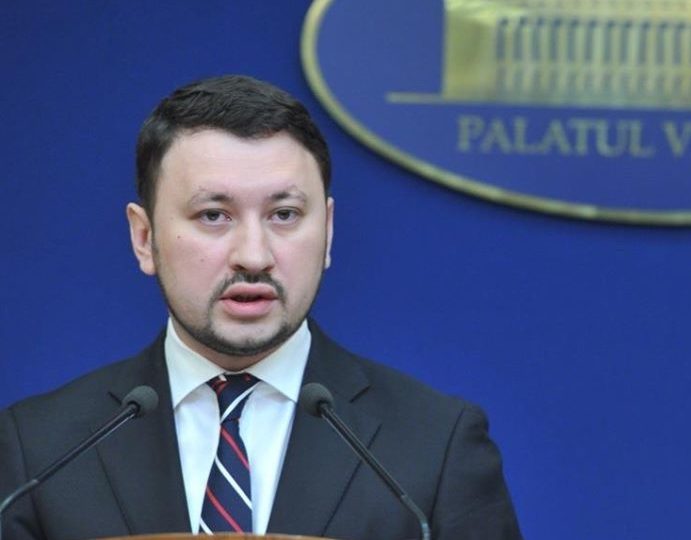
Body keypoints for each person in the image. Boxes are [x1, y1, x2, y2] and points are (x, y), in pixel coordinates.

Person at [0, 75, 522, 540]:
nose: (254, 256)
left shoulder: (435, 445)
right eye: (213, 215)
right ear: (144, 237)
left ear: (328, 231)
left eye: (284, 214)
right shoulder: (39, 451)